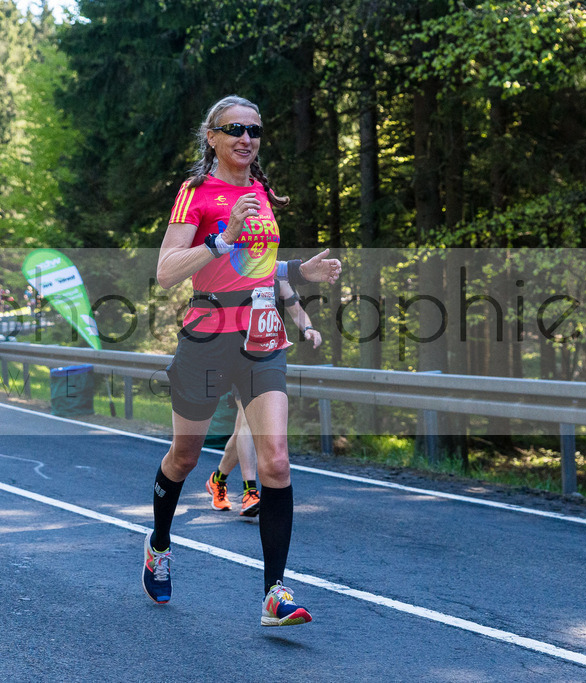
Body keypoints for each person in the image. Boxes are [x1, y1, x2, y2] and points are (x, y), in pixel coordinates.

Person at [142, 95, 341, 627]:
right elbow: (165, 272)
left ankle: (275, 592)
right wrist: (222, 236)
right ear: (212, 136)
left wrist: (299, 271)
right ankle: (159, 543)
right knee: (184, 457)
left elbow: (260, 268)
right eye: (234, 129)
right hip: (207, 336)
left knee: (275, 459)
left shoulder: (261, 190)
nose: (246, 138)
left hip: (261, 336)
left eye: (254, 130)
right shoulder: (196, 194)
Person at [206, 279, 322, 516]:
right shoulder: (237, 274)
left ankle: (218, 479)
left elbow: (297, 311)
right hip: (240, 359)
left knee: (241, 431)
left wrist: (308, 329)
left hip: (268, 361)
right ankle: (250, 492)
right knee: (249, 424)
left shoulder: (278, 279)